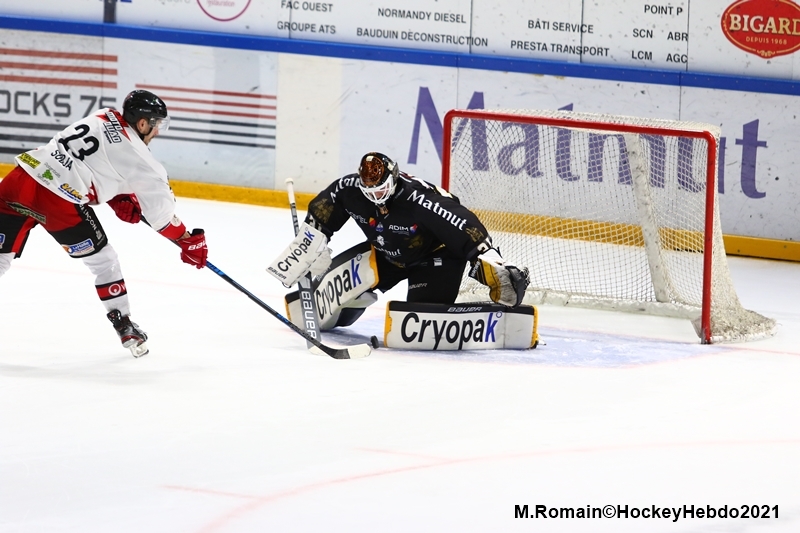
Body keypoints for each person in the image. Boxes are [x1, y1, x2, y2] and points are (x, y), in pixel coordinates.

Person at [0, 90, 208, 357]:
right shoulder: (144, 162)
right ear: (142, 123)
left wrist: (115, 195)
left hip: (19, 180)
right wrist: (186, 239)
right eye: (155, 125)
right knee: (104, 260)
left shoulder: (103, 115)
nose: (157, 132)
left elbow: (90, 161)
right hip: (58, 202)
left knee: (1, 258)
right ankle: (125, 325)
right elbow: (162, 217)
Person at [268, 152, 529, 320]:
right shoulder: (348, 190)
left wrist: (491, 260)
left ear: (393, 179)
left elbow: (462, 222)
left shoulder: (419, 200)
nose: (375, 197)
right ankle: (348, 309)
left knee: (416, 320)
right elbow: (322, 212)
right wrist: (309, 246)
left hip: (434, 257)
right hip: (385, 253)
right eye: (369, 191)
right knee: (326, 296)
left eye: (381, 190)